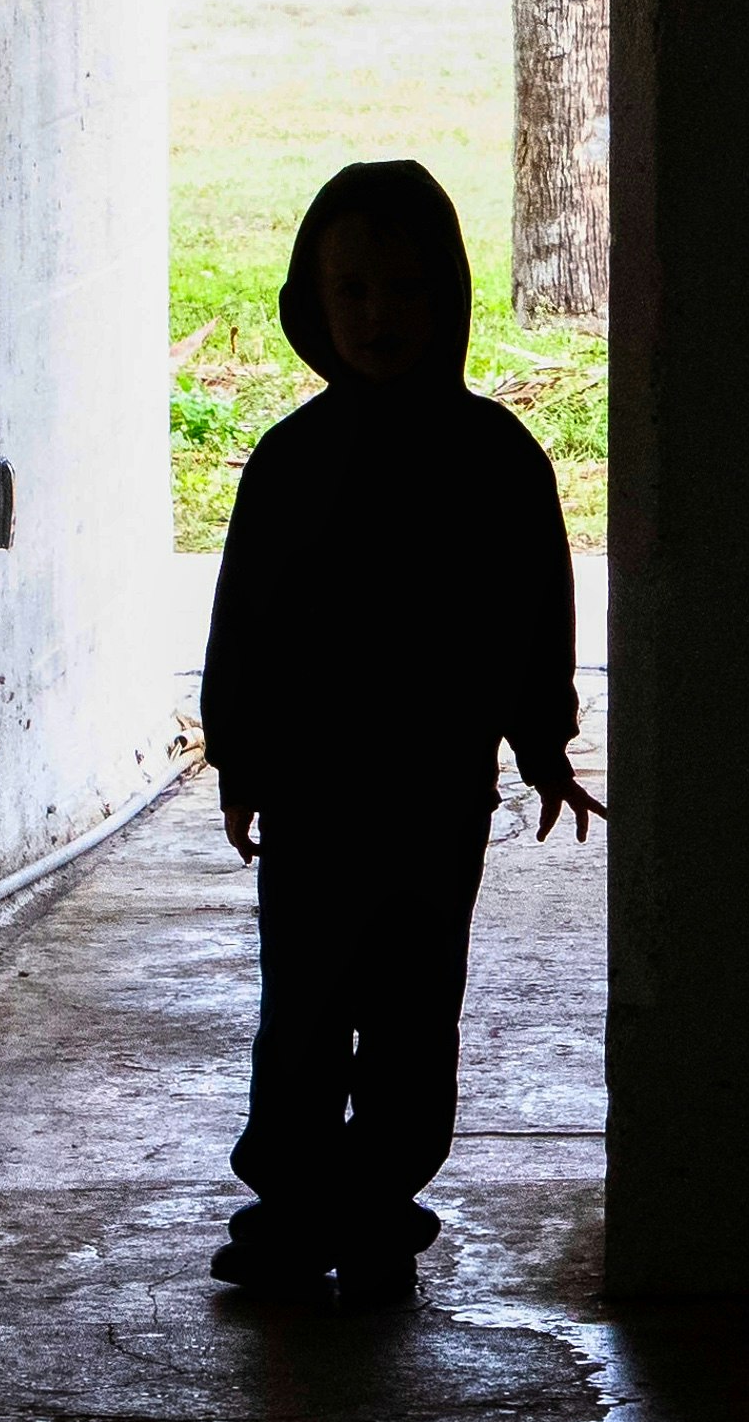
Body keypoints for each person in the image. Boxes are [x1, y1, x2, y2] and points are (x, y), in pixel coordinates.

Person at [198, 157, 600, 1310]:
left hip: (435, 801)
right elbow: (247, 624)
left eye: (407, 288)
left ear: (451, 295)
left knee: (417, 1012)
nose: (380, 316)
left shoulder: (496, 460)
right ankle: (292, 1205)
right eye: (353, 290)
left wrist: (542, 742)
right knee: (307, 1010)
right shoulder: (288, 464)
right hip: (316, 803)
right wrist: (242, 761)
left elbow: (536, 610)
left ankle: (378, 1203)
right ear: (313, 302)